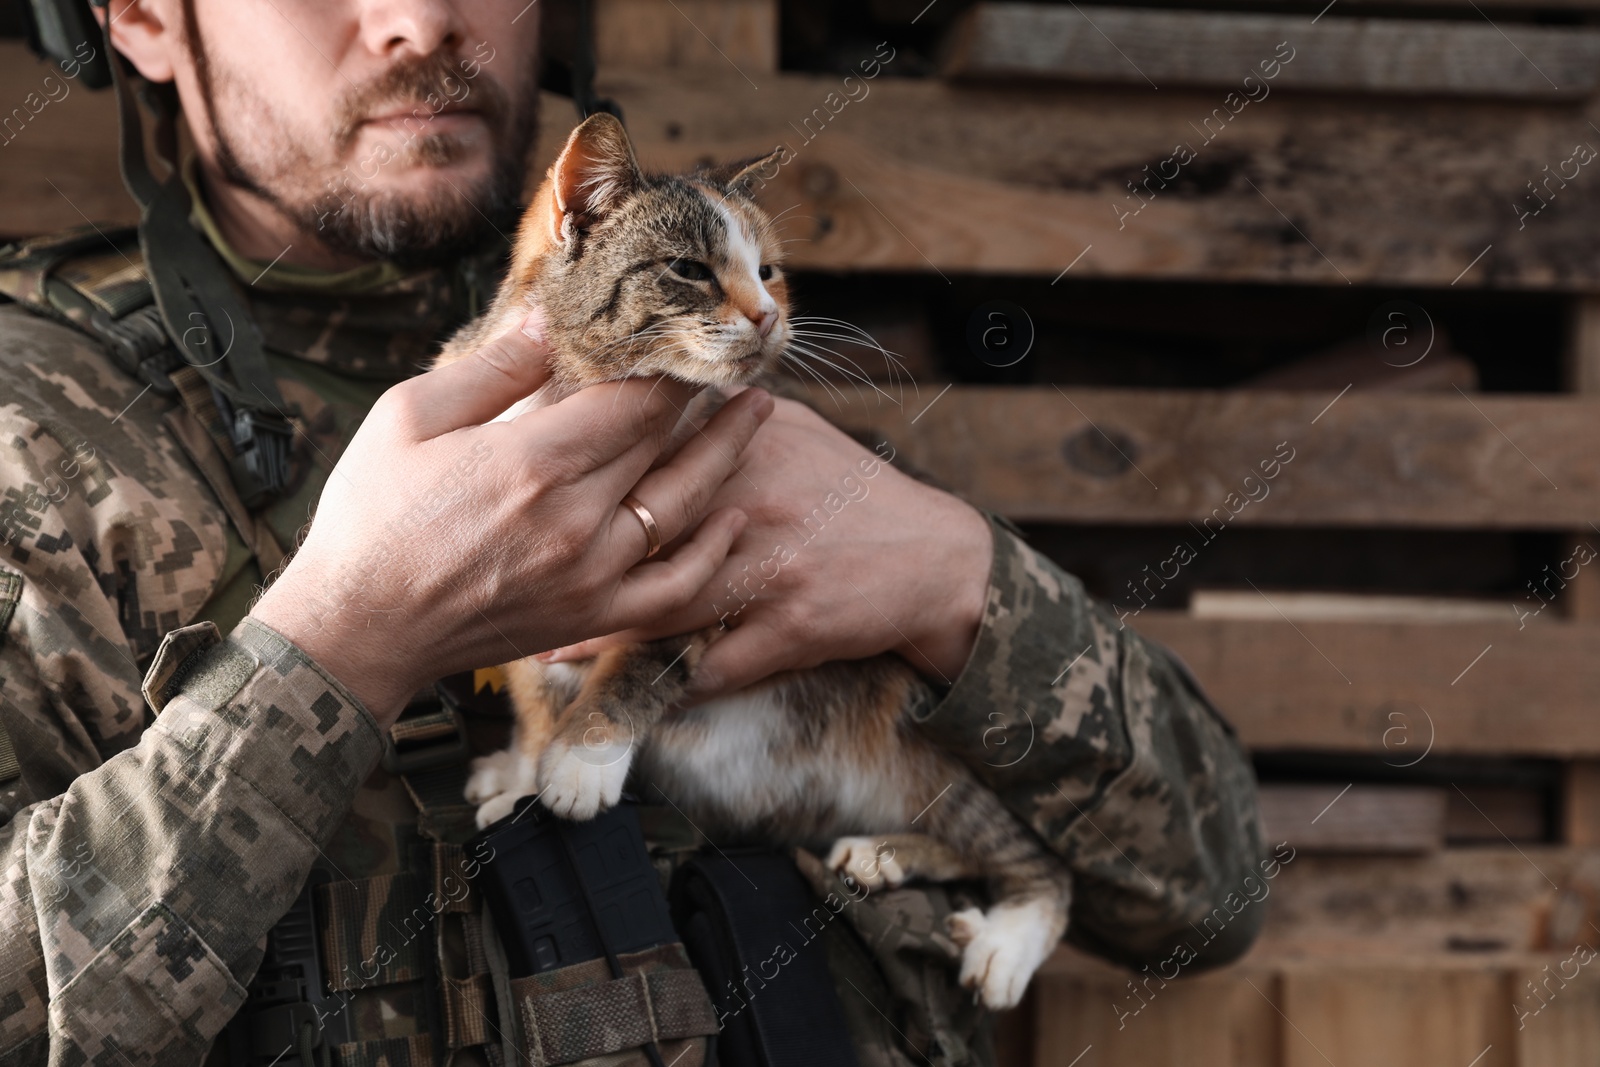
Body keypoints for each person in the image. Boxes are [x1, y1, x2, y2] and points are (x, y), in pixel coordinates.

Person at [0, 0, 1266, 1063]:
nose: (421, 21)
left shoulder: (702, 352)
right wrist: (337, 645)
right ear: (144, 14)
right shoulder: (33, 429)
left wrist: (959, 582)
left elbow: (1206, 894)